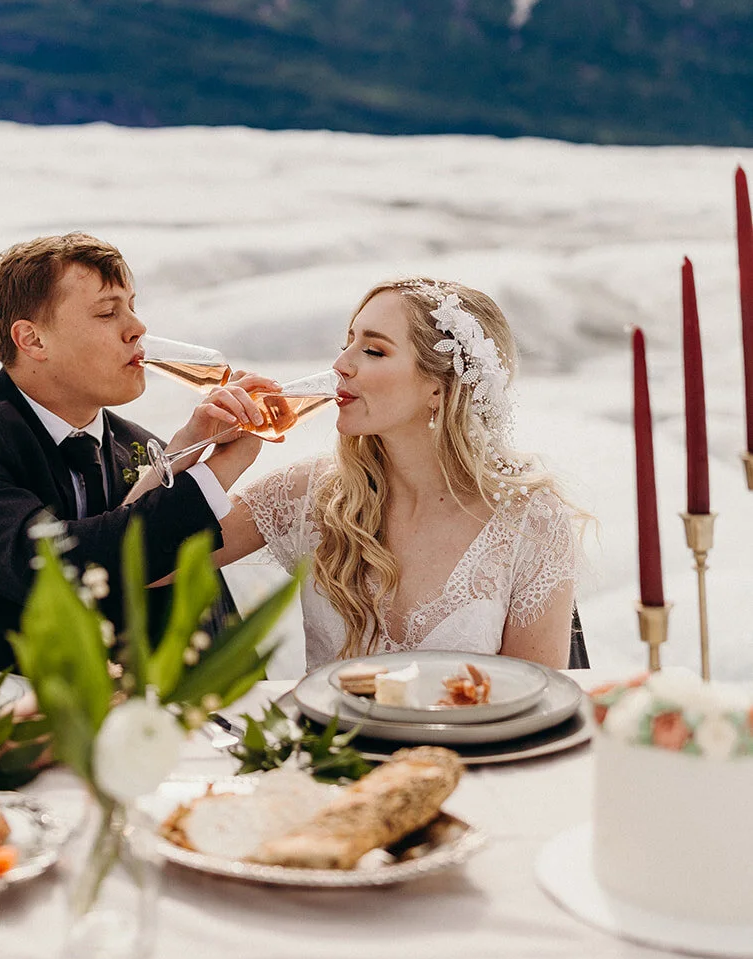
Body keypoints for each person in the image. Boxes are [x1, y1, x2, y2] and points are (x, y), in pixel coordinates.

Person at [0, 233, 270, 670]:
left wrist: (182, 452)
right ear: (32, 340)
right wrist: (221, 468)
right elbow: (64, 568)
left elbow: (171, 602)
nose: (137, 328)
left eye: (132, 306)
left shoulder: (140, 446)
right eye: (107, 312)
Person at [213, 278, 583, 670]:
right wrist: (219, 456)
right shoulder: (306, 495)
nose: (340, 365)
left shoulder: (531, 523)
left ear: (439, 389)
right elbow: (148, 567)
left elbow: (537, 701)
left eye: (373, 350)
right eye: (347, 344)